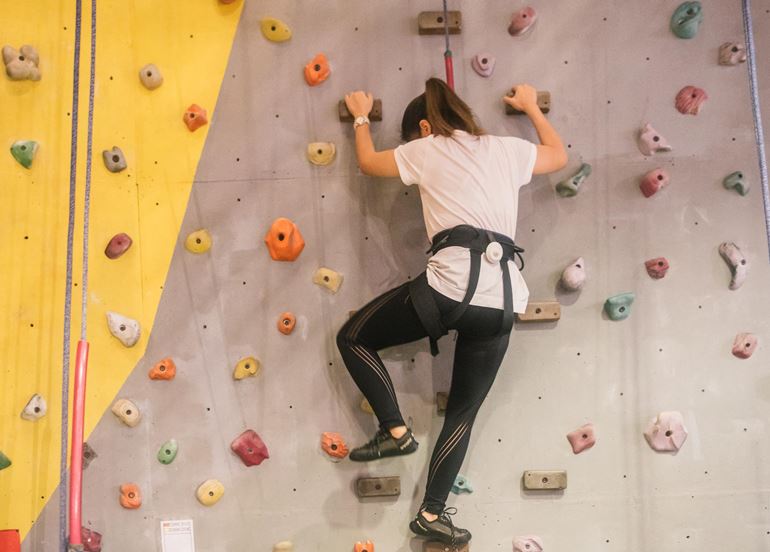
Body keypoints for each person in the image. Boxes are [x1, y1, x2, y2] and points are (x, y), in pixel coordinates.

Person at [336, 78, 567, 545]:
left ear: (424, 125)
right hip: (503, 302)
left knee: (354, 336)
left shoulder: (428, 147)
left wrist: (361, 117)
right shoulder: (505, 148)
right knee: (462, 412)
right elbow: (558, 155)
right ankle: (432, 514)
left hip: (448, 288)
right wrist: (529, 108)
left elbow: (367, 162)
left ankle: (394, 430)